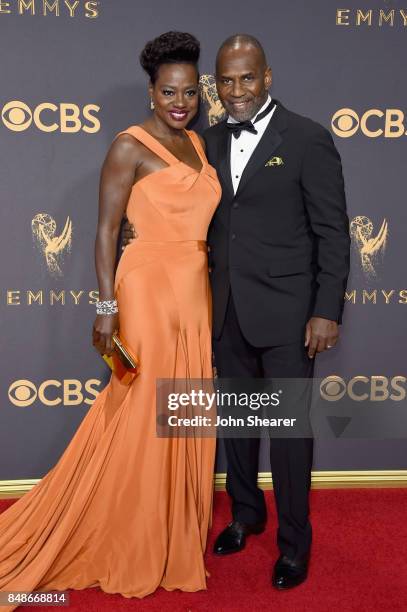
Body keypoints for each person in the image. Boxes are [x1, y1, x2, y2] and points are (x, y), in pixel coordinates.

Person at [0, 31, 221, 607]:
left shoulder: (199, 145)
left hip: (194, 289)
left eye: (190, 92)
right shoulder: (128, 145)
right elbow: (104, 231)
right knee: (146, 407)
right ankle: (134, 533)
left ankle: (175, 535)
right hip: (146, 285)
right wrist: (106, 306)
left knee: (187, 408)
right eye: (169, 91)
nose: (181, 101)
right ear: (150, 92)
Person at [123, 33, 350, 590]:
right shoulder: (204, 142)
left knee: (290, 435)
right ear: (214, 85)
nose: (237, 90)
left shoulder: (309, 138)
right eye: (225, 80)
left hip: (290, 315)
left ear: (267, 77)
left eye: (247, 78)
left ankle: (295, 543)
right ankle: (247, 514)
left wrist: (326, 310)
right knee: (238, 428)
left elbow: (332, 235)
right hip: (222, 309)